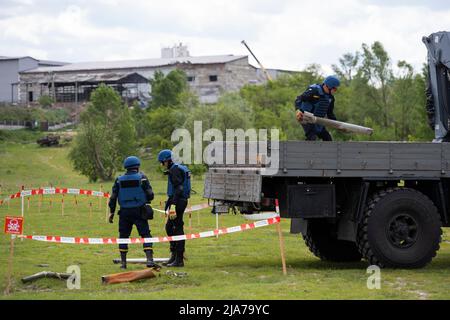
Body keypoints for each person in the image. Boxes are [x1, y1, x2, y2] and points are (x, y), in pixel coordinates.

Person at [108, 156, 158, 269]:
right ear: (137, 166)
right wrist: (147, 200)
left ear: (126, 167)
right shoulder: (142, 178)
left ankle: (123, 263)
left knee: (123, 236)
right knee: (145, 235)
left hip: (124, 212)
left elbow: (113, 198)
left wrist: (111, 212)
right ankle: (149, 260)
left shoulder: (119, 180)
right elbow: (150, 194)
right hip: (140, 211)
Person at [158, 149, 191, 267]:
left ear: (167, 161)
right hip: (177, 200)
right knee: (170, 227)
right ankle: (174, 256)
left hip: (178, 202)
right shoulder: (175, 168)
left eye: (162, 162)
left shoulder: (175, 170)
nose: (162, 164)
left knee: (177, 229)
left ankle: (179, 259)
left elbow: (179, 189)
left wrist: (173, 205)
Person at [295, 75, 340, 141]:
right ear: (328, 86)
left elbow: (330, 114)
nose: (335, 91)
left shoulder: (331, 98)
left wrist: (338, 125)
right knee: (312, 137)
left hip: (318, 120)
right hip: (306, 118)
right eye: (335, 89)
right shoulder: (314, 90)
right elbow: (299, 99)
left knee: (327, 138)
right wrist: (298, 110)